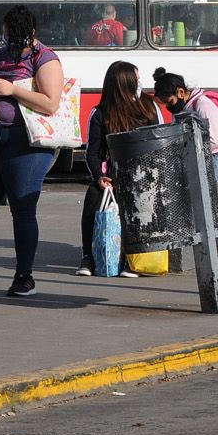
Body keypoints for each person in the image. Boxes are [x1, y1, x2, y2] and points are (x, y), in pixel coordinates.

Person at [0, 5, 63, 298]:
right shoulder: (0, 56)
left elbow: (50, 103)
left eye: (15, 34)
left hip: (27, 144)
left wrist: (12, 90)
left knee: (22, 208)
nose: (9, 38)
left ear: (31, 33)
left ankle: (24, 276)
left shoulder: (44, 58)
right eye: (7, 32)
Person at [77, 61, 161, 277]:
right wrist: (99, 176)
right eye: (137, 77)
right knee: (93, 197)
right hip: (112, 176)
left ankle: (133, 258)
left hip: (144, 176)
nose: (140, 81)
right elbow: (92, 152)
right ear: (126, 82)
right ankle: (90, 256)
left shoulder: (149, 107)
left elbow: (159, 142)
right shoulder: (100, 113)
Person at [153, 67, 218, 182]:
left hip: (208, 161)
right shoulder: (181, 109)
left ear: (180, 92)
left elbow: (214, 142)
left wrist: (187, 152)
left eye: (170, 102)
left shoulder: (203, 105)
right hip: (191, 161)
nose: (168, 107)